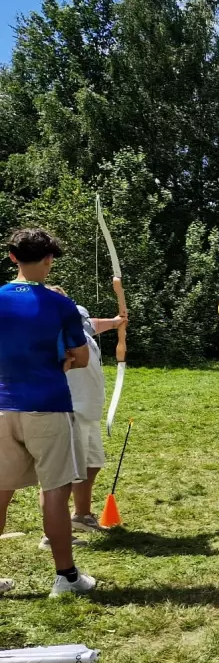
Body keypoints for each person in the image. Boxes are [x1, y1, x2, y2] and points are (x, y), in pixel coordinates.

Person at [0, 229, 97, 597]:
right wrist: (63, 360)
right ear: (49, 260)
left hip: (2, 405)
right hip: (47, 404)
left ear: (13, 257)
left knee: (0, 491)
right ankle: (66, 578)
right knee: (55, 490)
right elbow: (82, 356)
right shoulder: (60, 304)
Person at [46, 286, 127, 543]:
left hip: (88, 409)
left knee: (92, 464)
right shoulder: (50, 330)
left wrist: (116, 321)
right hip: (69, 408)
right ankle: (53, 534)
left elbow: (91, 324)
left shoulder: (78, 323)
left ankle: (81, 515)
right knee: (63, 473)